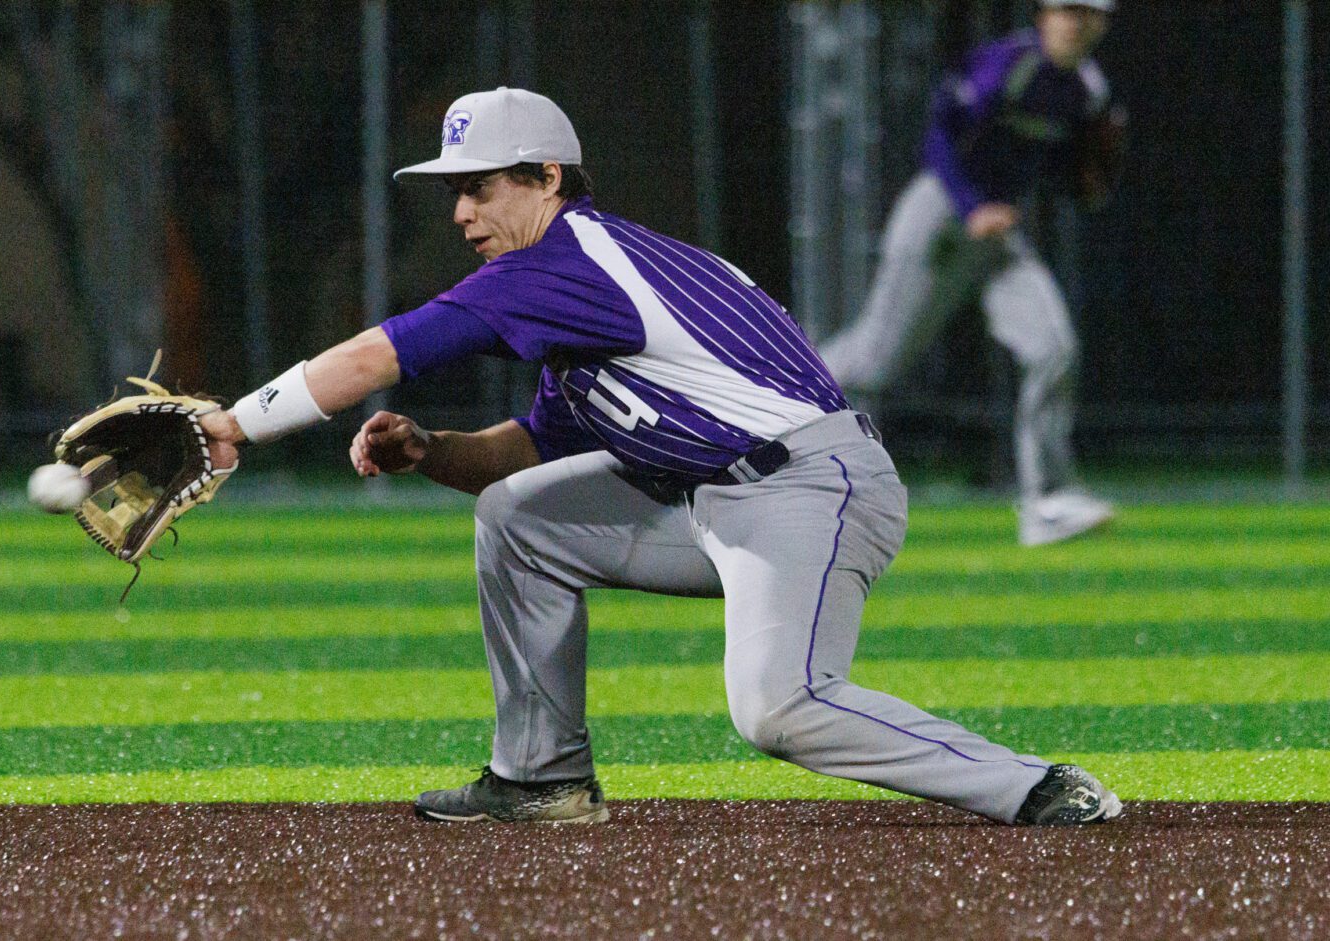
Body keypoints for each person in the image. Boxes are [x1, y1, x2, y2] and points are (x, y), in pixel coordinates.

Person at [199, 86, 1122, 826]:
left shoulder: (568, 265)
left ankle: (1032, 783)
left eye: (482, 185)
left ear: (548, 177)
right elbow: (519, 454)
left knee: (779, 708)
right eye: (455, 190)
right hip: (712, 493)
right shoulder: (587, 294)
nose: (463, 210)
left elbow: (376, 355)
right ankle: (538, 778)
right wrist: (429, 450)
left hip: (811, 484)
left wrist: (239, 422)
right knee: (517, 519)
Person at [819, 0, 1122, 546]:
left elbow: (1065, 172)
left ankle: (1047, 500)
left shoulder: (1088, 90)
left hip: (999, 232)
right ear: (1044, 14)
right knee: (874, 361)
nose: (1077, 22)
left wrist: (1088, 180)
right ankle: (764, 403)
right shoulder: (1009, 63)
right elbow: (939, 136)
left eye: (1090, 13)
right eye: (1068, 10)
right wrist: (970, 204)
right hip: (940, 214)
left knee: (1053, 347)